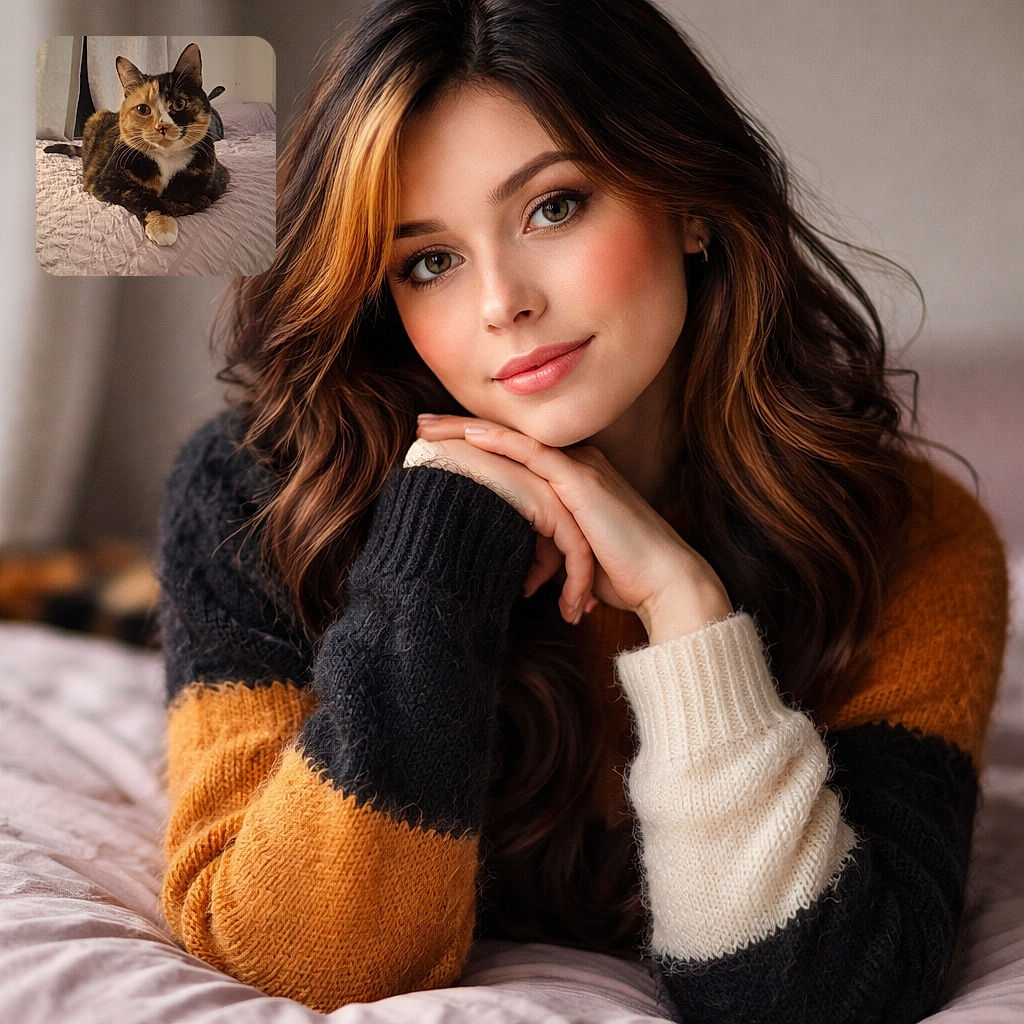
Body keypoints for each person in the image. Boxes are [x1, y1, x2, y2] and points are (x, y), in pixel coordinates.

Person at [157, 0, 1008, 1020]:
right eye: (428, 260)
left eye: (552, 207)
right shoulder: (261, 495)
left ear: (689, 201)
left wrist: (687, 611)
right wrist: (440, 547)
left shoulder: (910, 535)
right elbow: (313, 961)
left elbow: (814, 994)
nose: (500, 302)